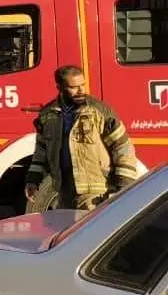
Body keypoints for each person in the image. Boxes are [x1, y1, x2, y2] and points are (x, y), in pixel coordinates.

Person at [24, 65, 138, 211]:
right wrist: (33, 179)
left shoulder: (99, 111)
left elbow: (122, 147)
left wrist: (124, 186)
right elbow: (41, 152)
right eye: (74, 87)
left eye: (83, 85)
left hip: (95, 194)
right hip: (64, 193)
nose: (81, 91)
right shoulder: (47, 115)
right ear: (59, 88)